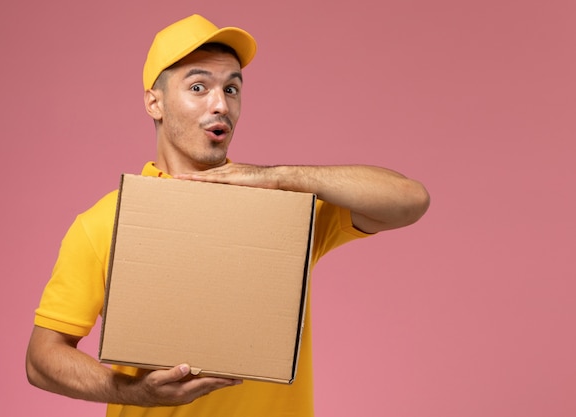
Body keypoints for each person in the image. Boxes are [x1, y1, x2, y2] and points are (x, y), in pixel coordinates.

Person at [26, 13, 430, 417]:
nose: (221, 105)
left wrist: (278, 177)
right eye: (198, 87)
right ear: (155, 102)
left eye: (232, 88)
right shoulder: (107, 221)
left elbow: (409, 200)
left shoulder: (282, 211)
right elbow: (42, 359)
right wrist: (137, 392)